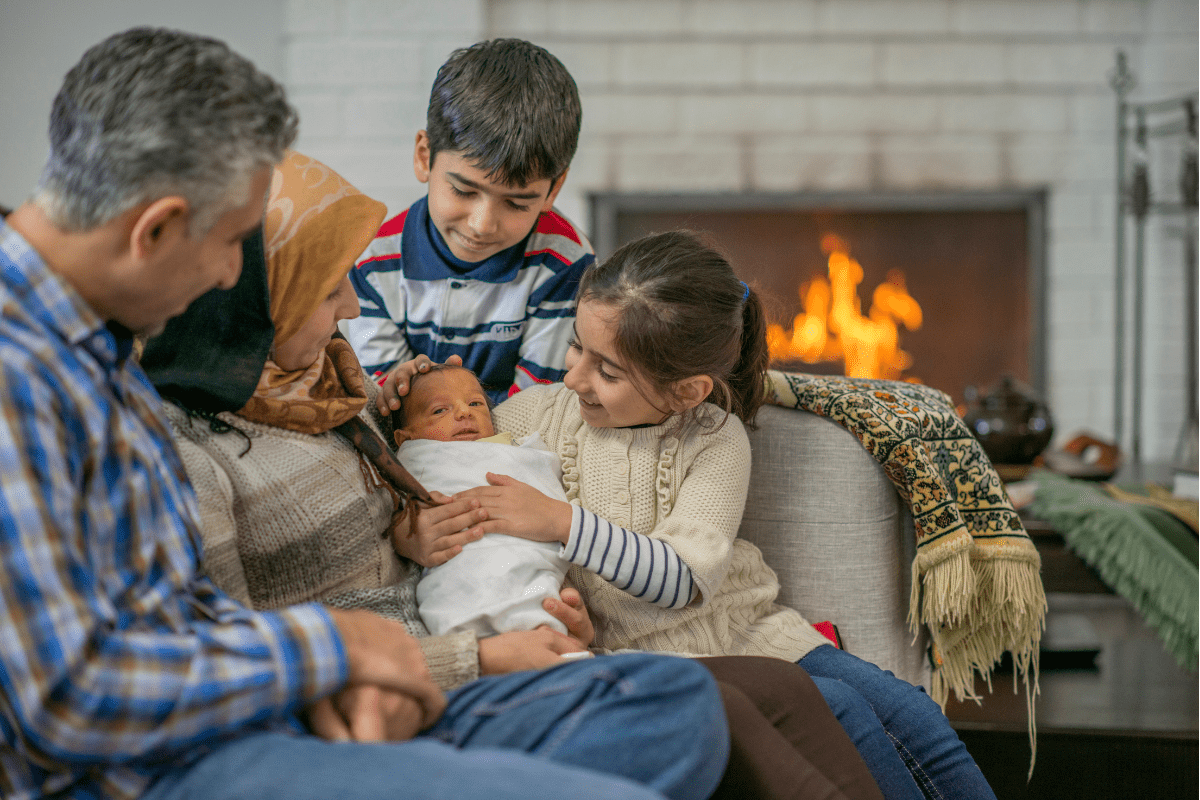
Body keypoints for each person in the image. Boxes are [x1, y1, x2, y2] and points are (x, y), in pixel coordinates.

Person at [0, 28, 721, 800]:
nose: (229, 281)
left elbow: (183, 610)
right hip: (167, 766)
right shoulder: (24, 374)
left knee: (671, 705)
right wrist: (335, 650)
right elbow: (65, 698)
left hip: (273, 713)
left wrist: (355, 668)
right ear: (159, 229)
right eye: (237, 244)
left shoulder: (100, 351)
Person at [150, 150, 883, 800]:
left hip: (479, 624)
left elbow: (434, 494)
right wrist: (484, 655)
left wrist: (523, 591)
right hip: (413, 683)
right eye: (325, 289)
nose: (350, 305)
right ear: (247, 308)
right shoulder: (190, 456)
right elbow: (239, 665)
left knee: (792, 687)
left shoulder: (335, 390)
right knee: (694, 704)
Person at [449, 230, 999, 800]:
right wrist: (406, 400)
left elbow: (683, 579)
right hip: (643, 655)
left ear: (688, 391)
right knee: (842, 711)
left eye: (607, 372)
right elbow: (451, 443)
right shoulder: (542, 413)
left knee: (911, 712)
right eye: (576, 347)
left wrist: (560, 522)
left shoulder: (714, 438)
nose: (574, 377)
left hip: (749, 631)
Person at [343, 38, 593, 404]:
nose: (482, 225)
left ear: (554, 188)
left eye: (516, 203)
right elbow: (386, 397)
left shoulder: (567, 265)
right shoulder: (372, 260)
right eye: (463, 191)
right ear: (424, 157)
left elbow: (539, 404)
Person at [393, 364, 573, 637]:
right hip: (458, 576)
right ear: (406, 438)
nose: (464, 412)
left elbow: (545, 483)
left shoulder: (517, 452)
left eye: (475, 403)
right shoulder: (415, 462)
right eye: (440, 410)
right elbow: (389, 508)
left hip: (529, 572)